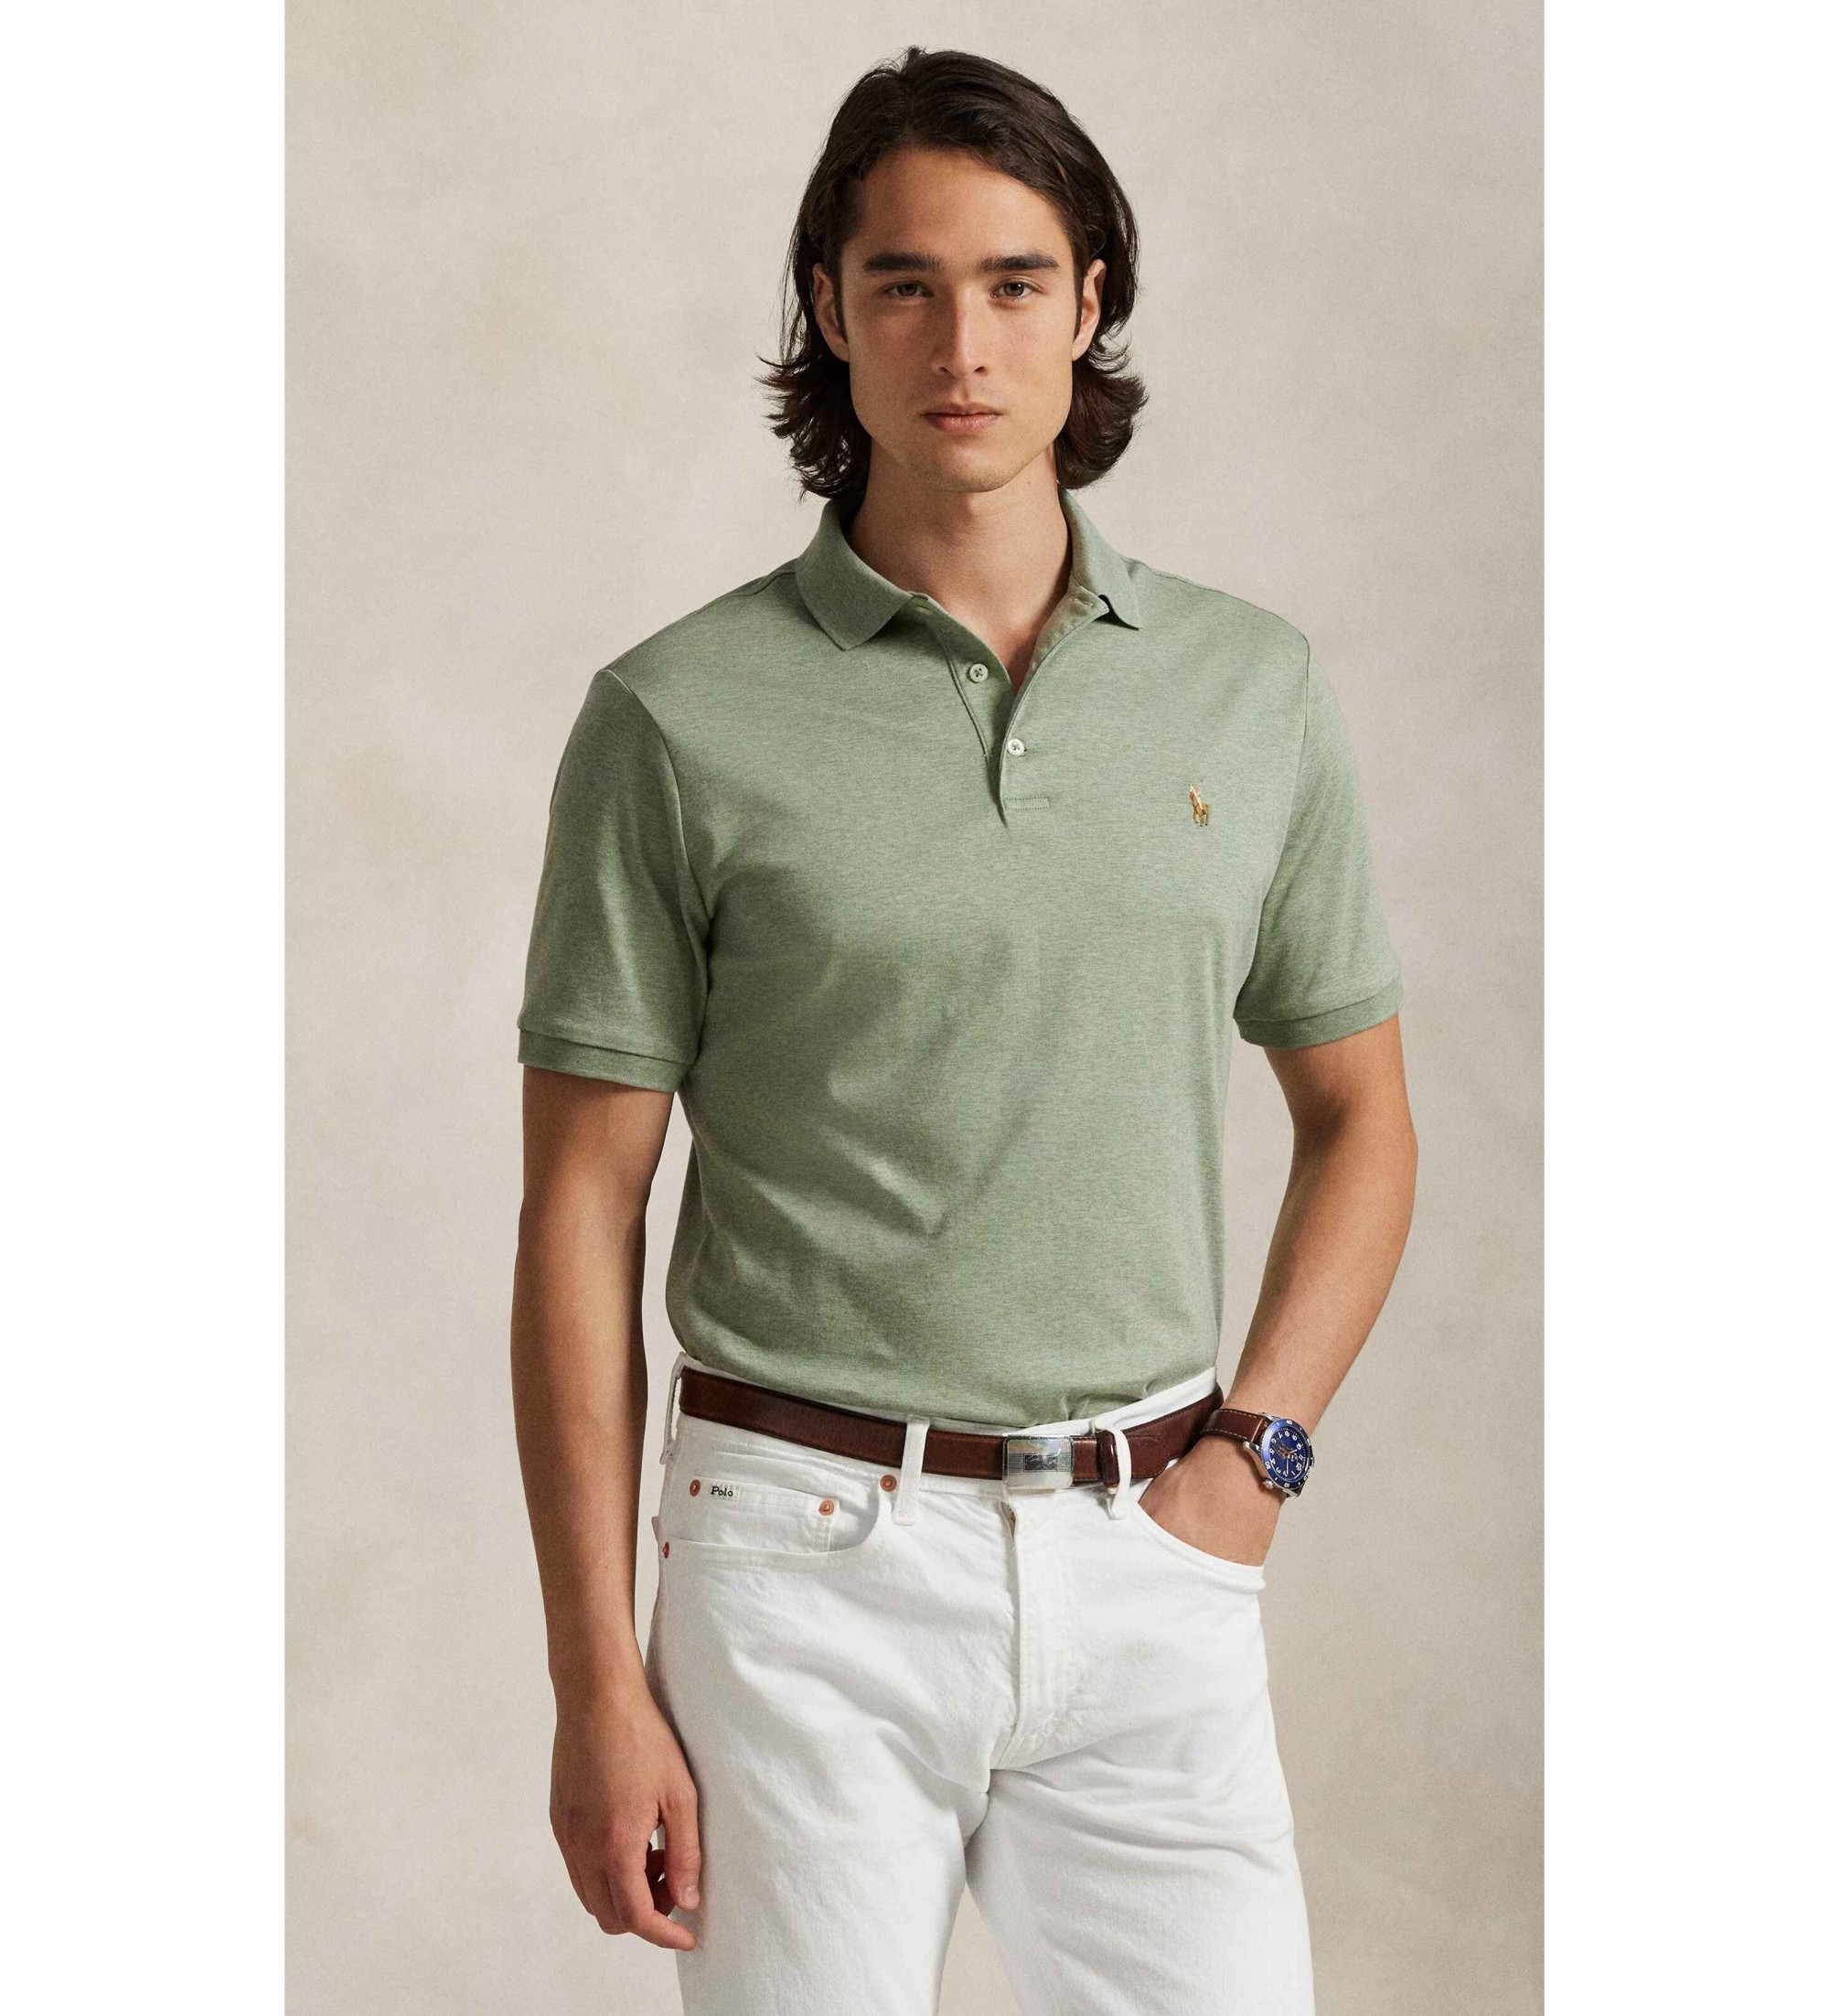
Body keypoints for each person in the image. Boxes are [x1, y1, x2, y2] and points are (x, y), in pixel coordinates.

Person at [510, 45, 1417, 2016]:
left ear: (1091, 303)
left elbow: (1362, 1118)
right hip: (798, 1573)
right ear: (827, 311)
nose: (964, 343)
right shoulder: (675, 717)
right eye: (905, 284)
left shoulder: (1247, 689)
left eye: (1014, 282)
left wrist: (1250, 1463)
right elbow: (581, 1208)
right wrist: (596, 1678)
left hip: (1155, 1558)